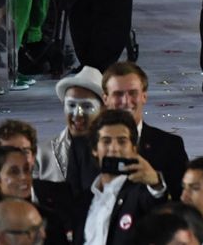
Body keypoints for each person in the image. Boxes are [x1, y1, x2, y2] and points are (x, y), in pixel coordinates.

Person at [67, 63, 189, 201]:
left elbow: (183, 204)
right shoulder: (82, 146)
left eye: (133, 93)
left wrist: (156, 183)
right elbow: (72, 202)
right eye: (118, 94)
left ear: (144, 96)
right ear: (105, 99)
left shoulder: (169, 146)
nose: (125, 101)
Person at [73, 109, 169, 245]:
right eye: (106, 141)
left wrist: (156, 184)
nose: (114, 148)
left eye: (122, 141)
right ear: (95, 149)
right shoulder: (84, 200)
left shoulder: (140, 194)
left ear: (134, 148)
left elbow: (158, 206)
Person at [38, 66, 102, 182]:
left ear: (103, 110)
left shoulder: (116, 151)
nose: (77, 114)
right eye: (71, 105)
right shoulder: (43, 153)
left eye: (87, 106)